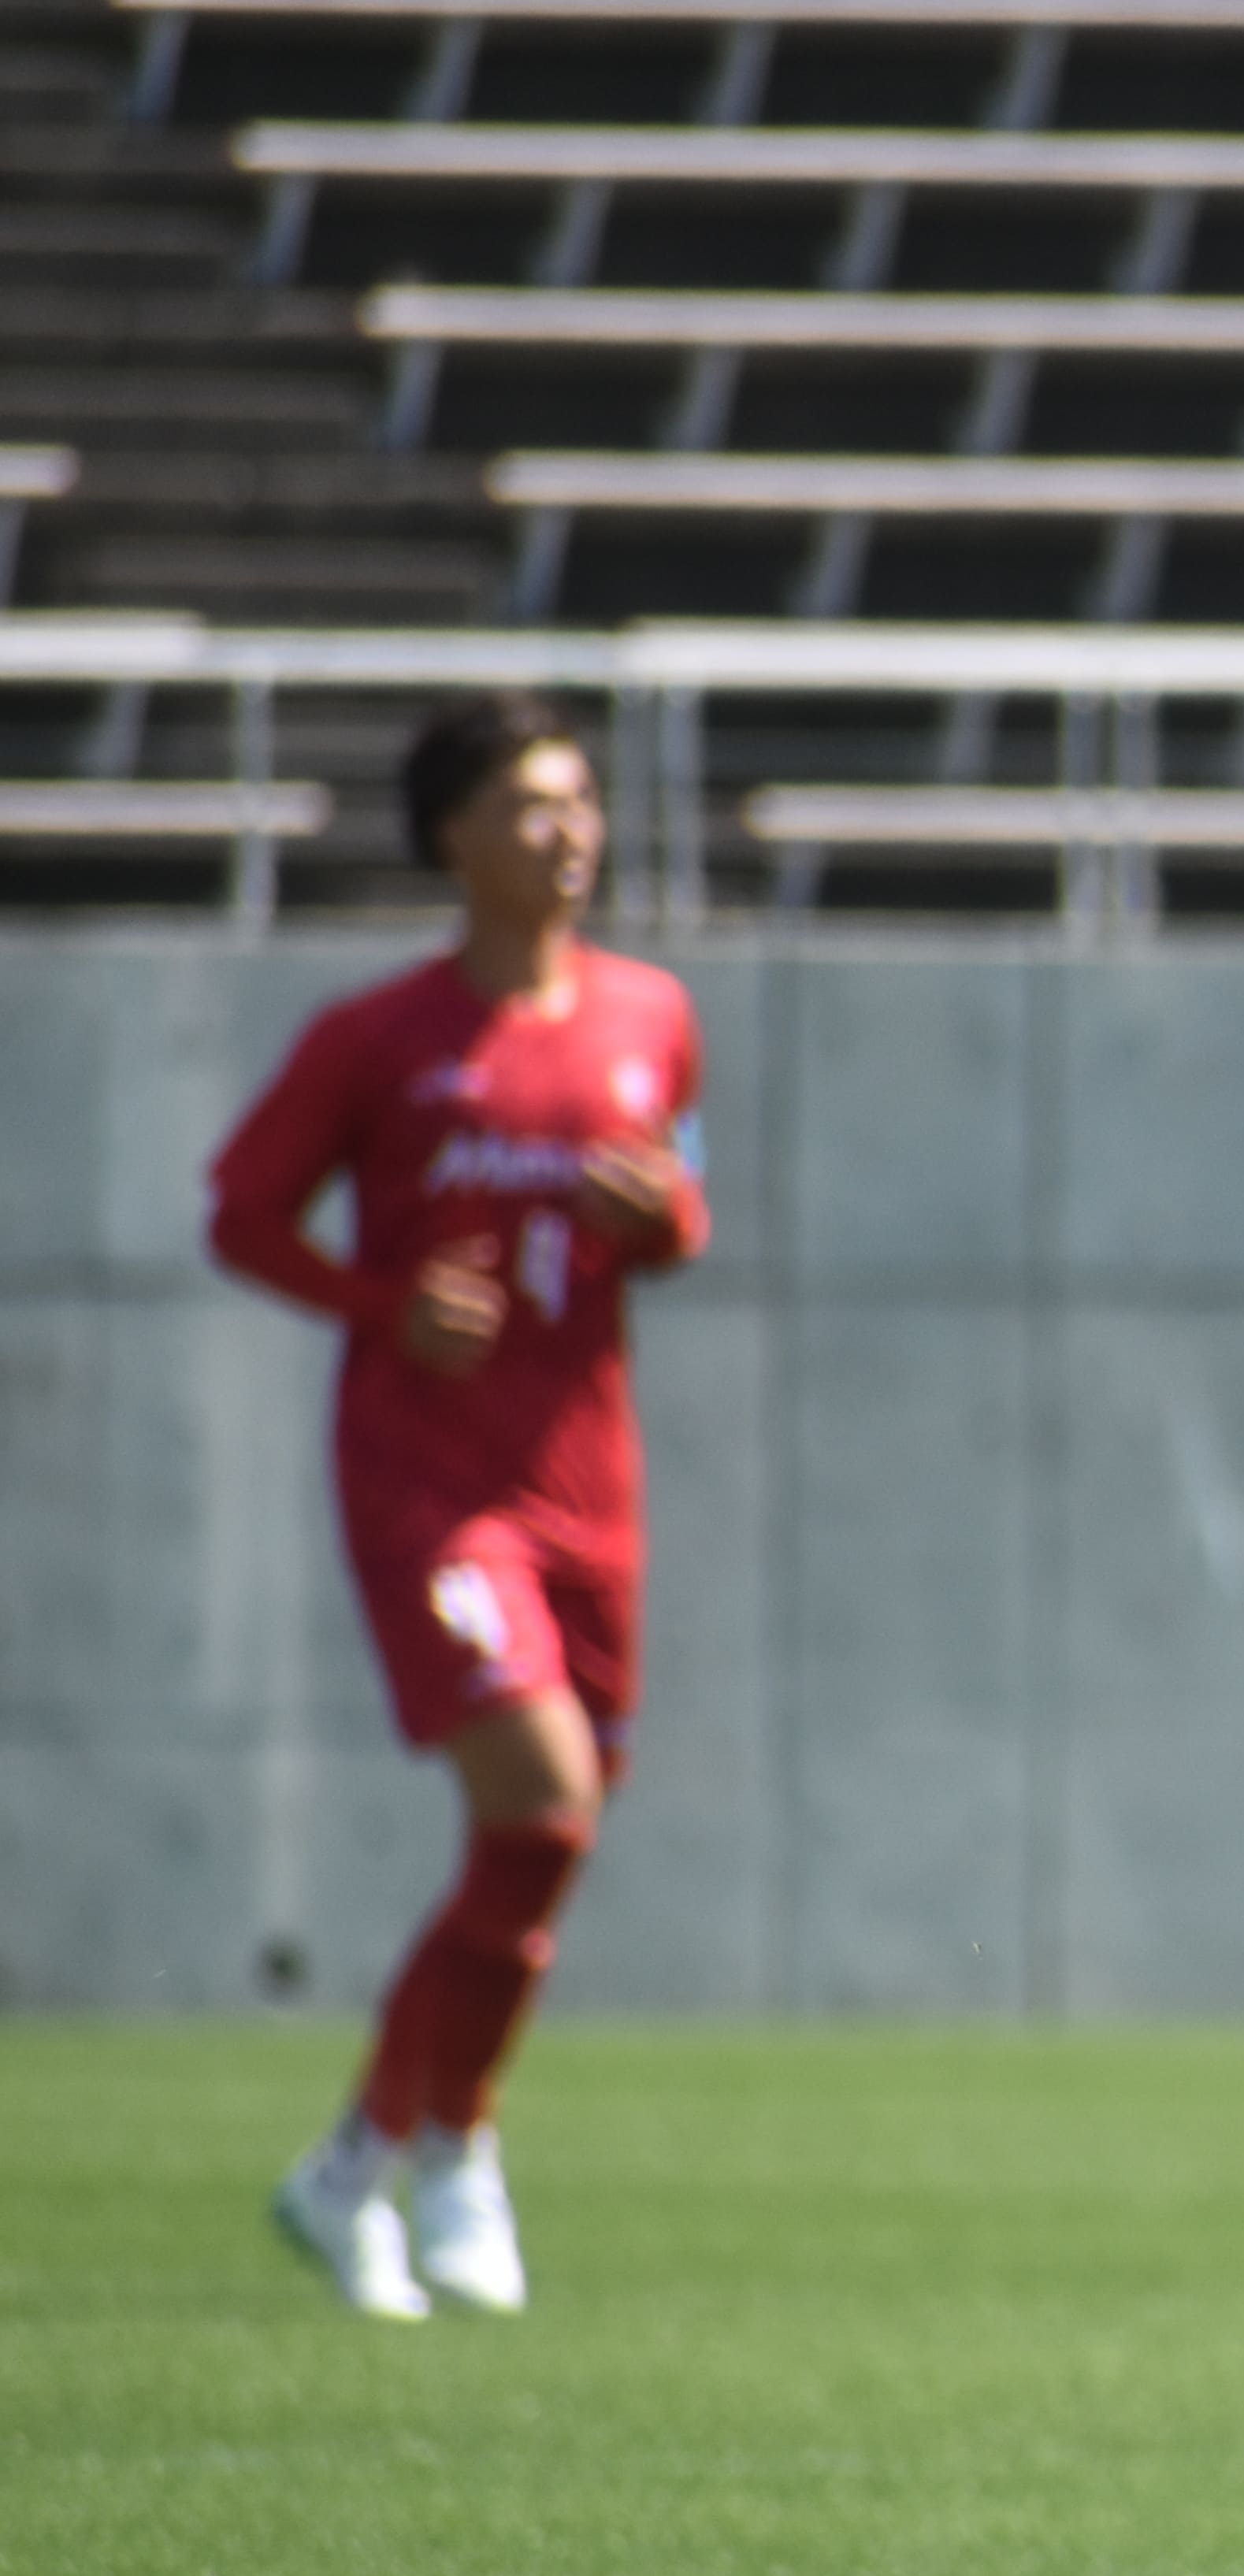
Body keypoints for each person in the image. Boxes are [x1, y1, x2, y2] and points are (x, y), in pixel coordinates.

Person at [207, 692, 706, 2322]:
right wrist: (382, 1305)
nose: (569, 831)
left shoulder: (648, 1014)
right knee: (542, 1806)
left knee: (543, 1840)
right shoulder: (379, 1039)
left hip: (590, 1484)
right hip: (432, 1485)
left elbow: (683, 1205)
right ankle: (452, 2154)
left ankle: (356, 2162)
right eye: (530, 805)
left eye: (581, 802)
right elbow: (242, 1212)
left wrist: (664, 1217)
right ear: (452, 838)